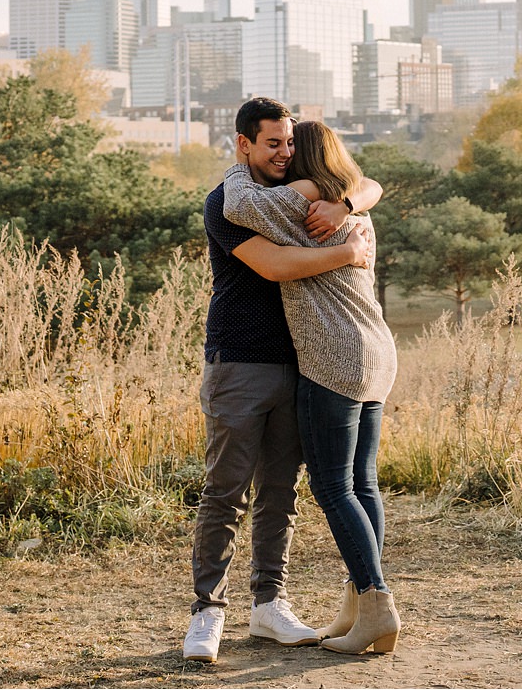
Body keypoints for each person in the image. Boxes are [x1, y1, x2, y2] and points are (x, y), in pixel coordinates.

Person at [183, 98, 381, 664]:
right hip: (240, 360)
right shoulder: (229, 203)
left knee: (281, 493)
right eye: (273, 144)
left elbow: (367, 181)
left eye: (290, 143)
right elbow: (275, 267)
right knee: (226, 491)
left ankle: (270, 605)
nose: (284, 153)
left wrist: (343, 199)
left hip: (302, 363)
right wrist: (347, 250)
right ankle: (207, 614)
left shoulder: (303, 192)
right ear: (243, 144)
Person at [221, 120, 400, 656]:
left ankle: (376, 603)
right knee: (363, 484)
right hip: (377, 351)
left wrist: (239, 160)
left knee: (331, 486)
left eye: (292, 146)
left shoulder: (296, 206)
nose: (285, 152)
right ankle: (358, 604)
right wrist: (348, 196)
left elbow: (236, 204)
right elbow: (369, 185)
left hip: (333, 358)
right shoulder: (354, 209)